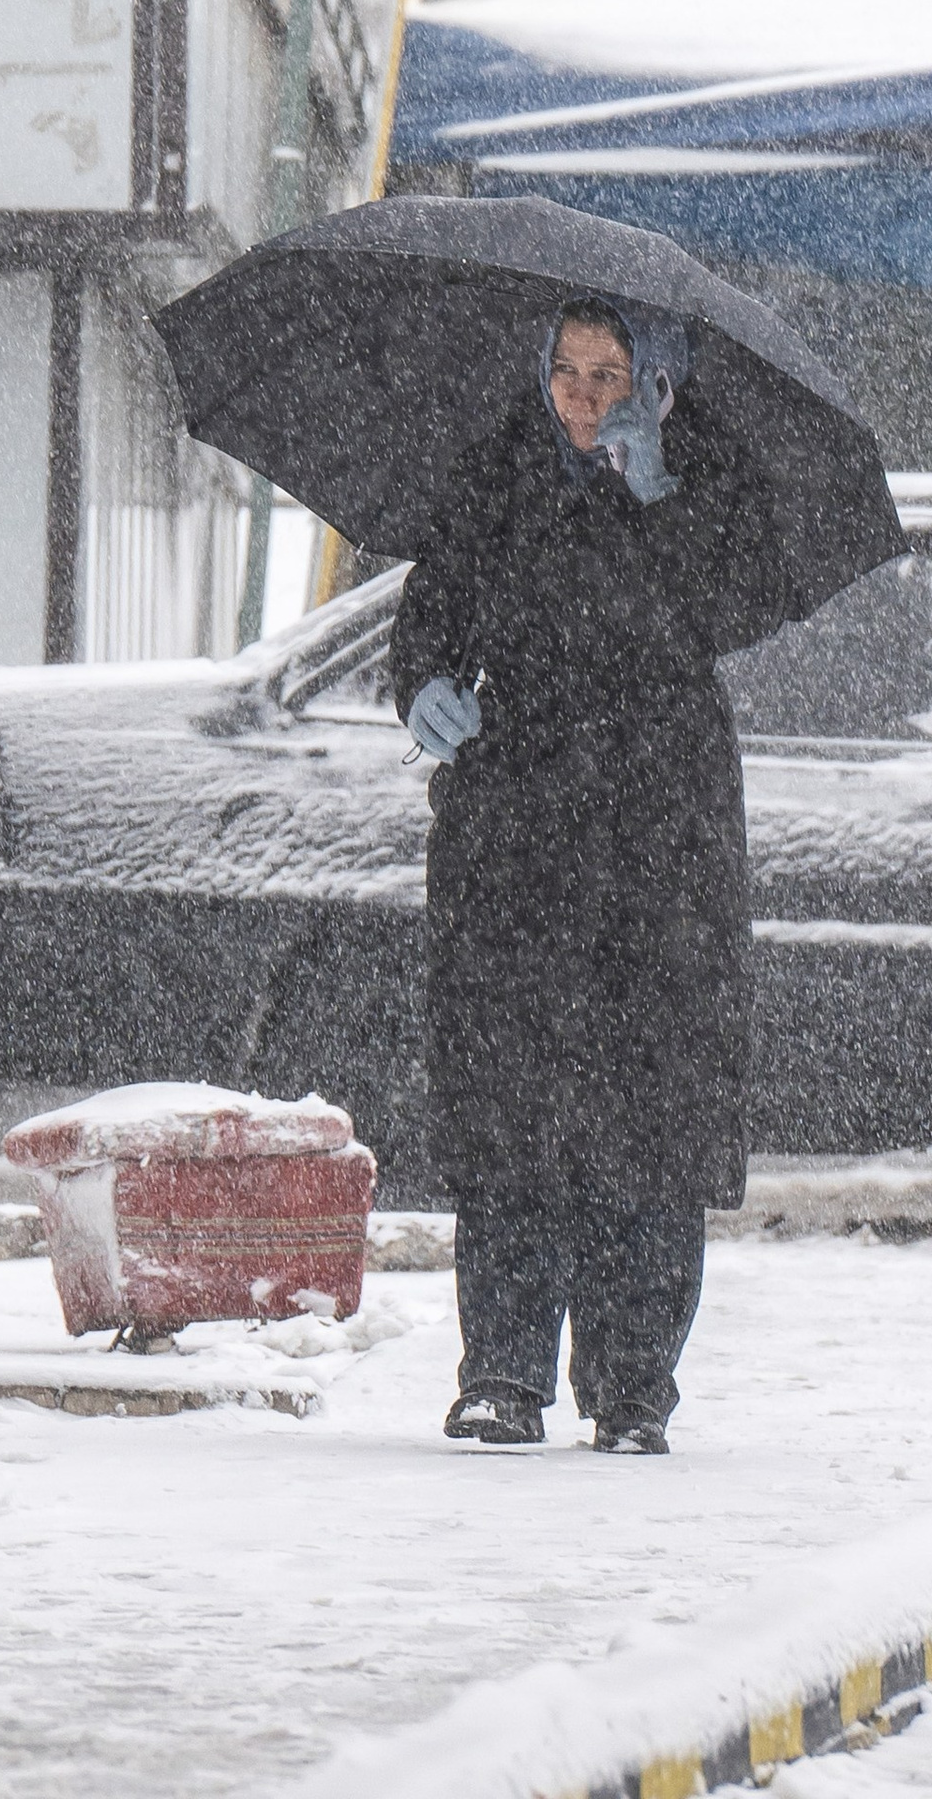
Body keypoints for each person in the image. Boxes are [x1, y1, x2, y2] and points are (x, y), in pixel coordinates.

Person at [389, 296, 771, 1456]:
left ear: (657, 386)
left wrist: (656, 497)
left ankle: (630, 1384)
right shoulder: (494, 482)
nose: (583, 398)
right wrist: (424, 690)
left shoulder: (706, 492)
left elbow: (722, 606)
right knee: (513, 1108)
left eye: (611, 376)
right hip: (515, 841)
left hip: (662, 846)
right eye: (566, 373)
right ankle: (501, 1370)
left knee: (648, 1116)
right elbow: (429, 620)